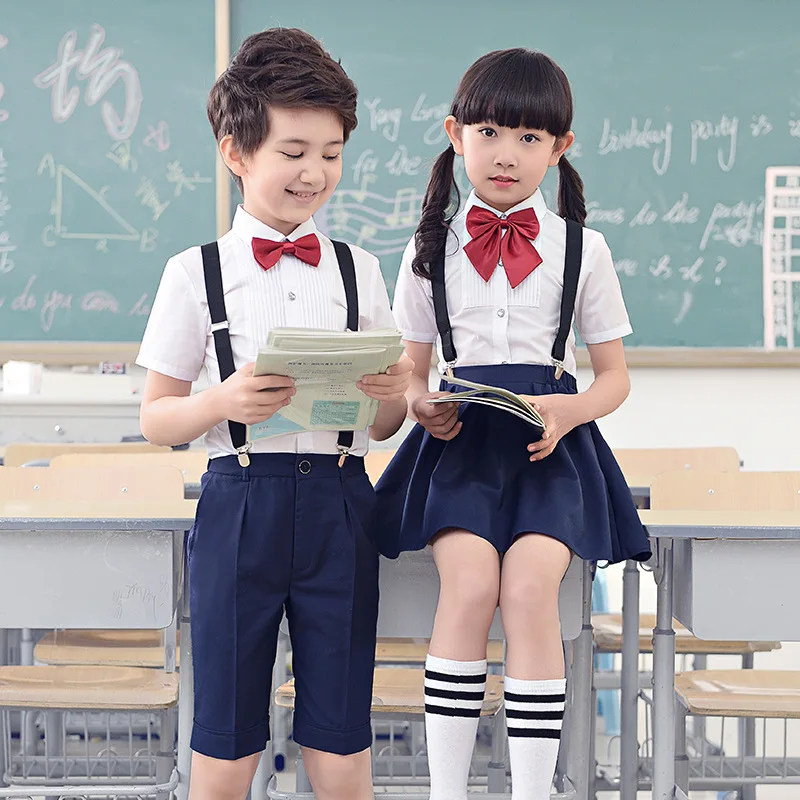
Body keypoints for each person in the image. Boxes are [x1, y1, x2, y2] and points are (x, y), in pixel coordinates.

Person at [136, 27, 412, 800]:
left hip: (343, 503)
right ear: (237, 152)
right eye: (293, 151)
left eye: (330, 153)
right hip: (239, 503)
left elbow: (384, 425)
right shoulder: (194, 273)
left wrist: (392, 399)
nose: (314, 172)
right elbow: (157, 416)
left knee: (340, 736)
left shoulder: (361, 269)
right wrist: (220, 402)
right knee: (226, 741)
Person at [375, 48, 651, 800]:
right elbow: (409, 367)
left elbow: (615, 376)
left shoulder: (581, 249)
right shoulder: (428, 248)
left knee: (530, 592)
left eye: (531, 138)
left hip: (549, 444)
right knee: (467, 588)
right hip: (462, 444)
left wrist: (571, 408)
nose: (507, 154)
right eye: (491, 131)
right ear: (455, 134)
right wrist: (423, 401)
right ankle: (448, 791)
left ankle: (533, 791)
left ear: (560, 149)